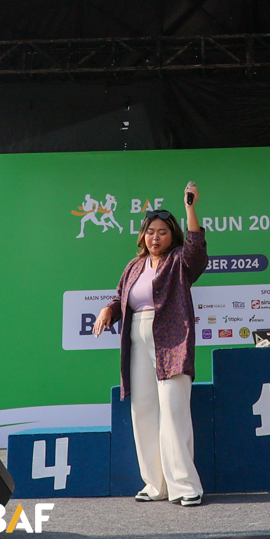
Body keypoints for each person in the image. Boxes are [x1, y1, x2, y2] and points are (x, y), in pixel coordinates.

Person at [92, 182, 207, 506]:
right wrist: (108, 310)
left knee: (173, 411)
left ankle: (185, 487)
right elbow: (120, 297)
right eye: (150, 232)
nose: (155, 238)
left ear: (173, 236)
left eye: (163, 232)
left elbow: (197, 250)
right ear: (142, 236)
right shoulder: (134, 266)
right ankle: (155, 485)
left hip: (171, 340)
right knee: (143, 410)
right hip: (137, 339)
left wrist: (190, 208)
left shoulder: (180, 261)